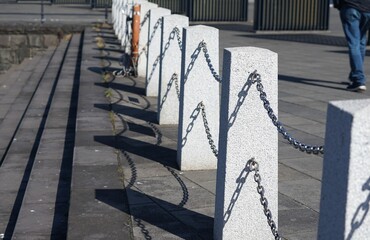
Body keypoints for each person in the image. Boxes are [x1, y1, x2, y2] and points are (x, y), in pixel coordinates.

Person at [333, 0, 370, 92]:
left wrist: (339, 5)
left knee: (354, 43)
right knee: (361, 42)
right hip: (367, 10)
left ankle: (358, 80)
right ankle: (355, 75)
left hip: (350, 6)